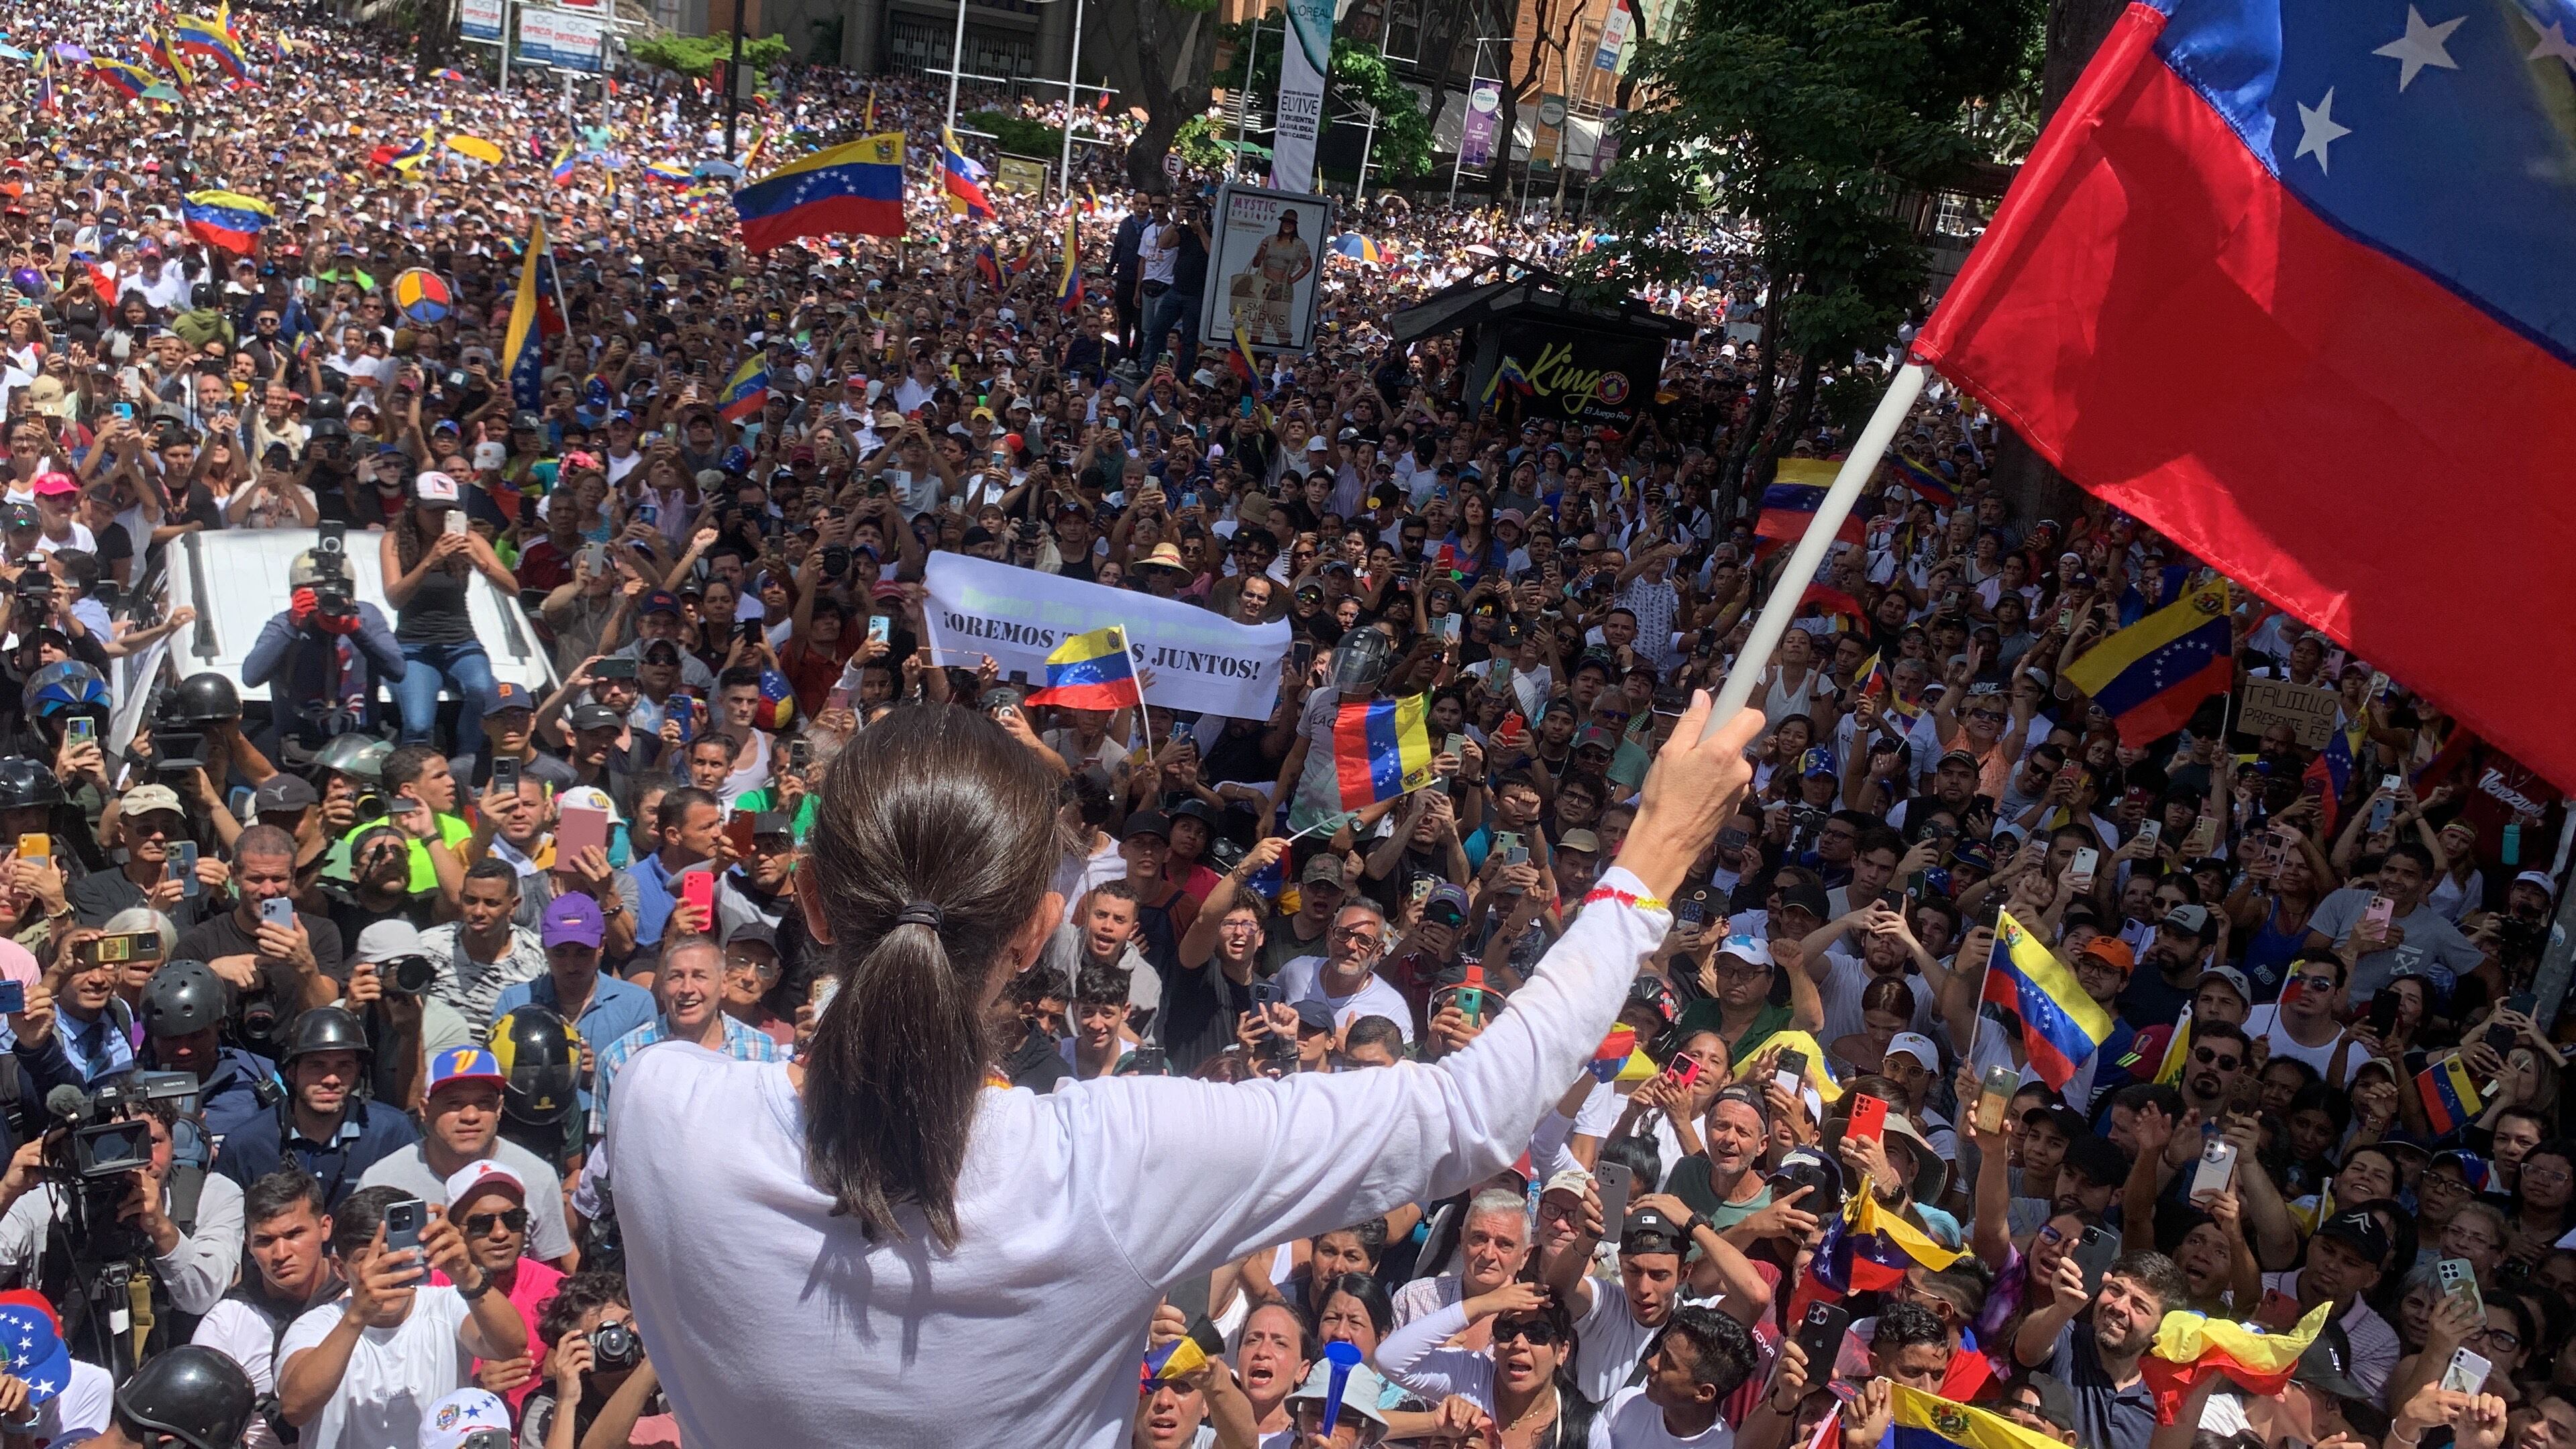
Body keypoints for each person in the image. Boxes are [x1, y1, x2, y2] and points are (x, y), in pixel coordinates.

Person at [606, 696, 1765, 1445]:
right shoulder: (1115, 1160)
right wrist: (1650, 857)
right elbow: (1473, 1110)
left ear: (808, 901)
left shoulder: (660, 1109)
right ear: (1037, 931)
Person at [274, 1185, 531, 1449]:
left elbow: (511, 1347)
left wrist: (469, 1276)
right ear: (340, 1268)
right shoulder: (316, 1326)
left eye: (399, 1256)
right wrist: (357, 1317)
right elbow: (295, 1409)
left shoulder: (446, 1305)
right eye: (370, 1259)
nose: (389, 1270)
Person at [355, 1049, 579, 1271]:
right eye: (454, 1103)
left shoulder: (538, 1176)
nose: (471, 1117)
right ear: (425, 1110)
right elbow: (354, 1269)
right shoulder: (381, 1180)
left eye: (484, 1103)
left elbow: (549, 1272)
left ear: (499, 1109)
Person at [191, 1170, 342, 1449]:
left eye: (295, 1234)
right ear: (247, 1244)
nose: (281, 1253)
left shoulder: (359, 1303)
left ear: (325, 1228)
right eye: (265, 1241)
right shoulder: (226, 1323)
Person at [212, 1006, 420, 1208]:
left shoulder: (393, 1133)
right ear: (291, 1073)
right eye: (317, 1066)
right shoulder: (245, 1144)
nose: (331, 1079)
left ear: (358, 1072)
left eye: (344, 1066)